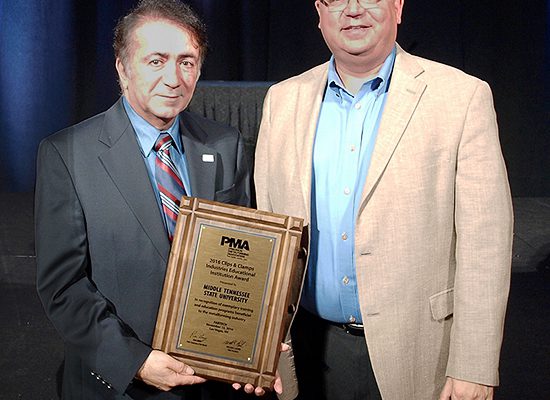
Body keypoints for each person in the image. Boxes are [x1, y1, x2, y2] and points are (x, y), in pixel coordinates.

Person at [254, 1, 513, 399]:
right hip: (305, 348)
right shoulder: (283, 100)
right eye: (337, 0)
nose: (353, 10)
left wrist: (473, 365)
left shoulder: (461, 97)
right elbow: (268, 229)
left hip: (420, 352)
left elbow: (486, 244)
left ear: (398, 7)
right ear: (320, 12)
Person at [35, 1, 251, 398]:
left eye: (187, 62)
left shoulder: (225, 145)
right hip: (119, 387)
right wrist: (133, 361)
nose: (173, 79)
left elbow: (243, 262)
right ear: (122, 68)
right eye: (156, 61)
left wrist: (254, 345)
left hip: (211, 383)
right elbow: (63, 286)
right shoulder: (68, 154)